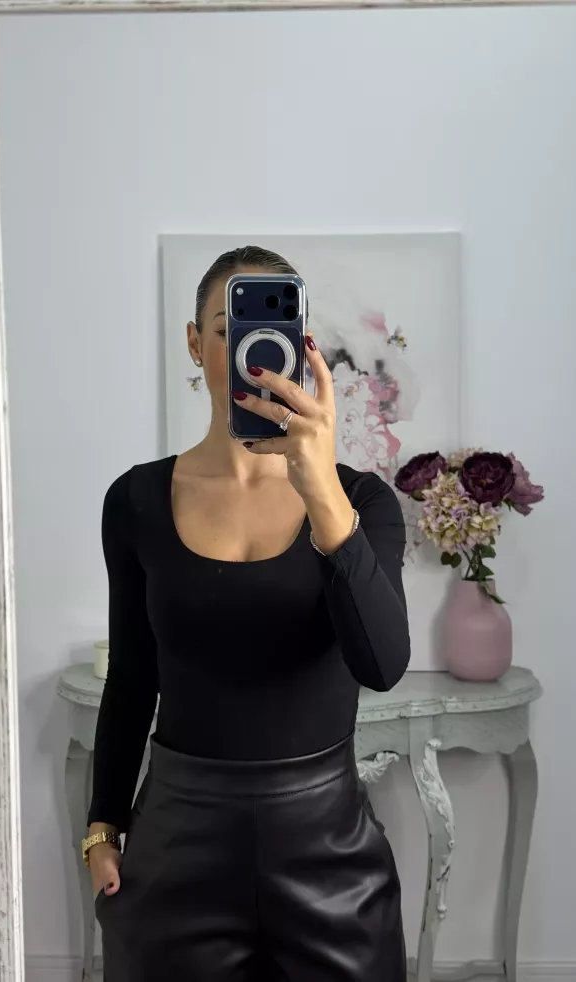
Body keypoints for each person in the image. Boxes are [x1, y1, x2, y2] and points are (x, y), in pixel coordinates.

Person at [84, 246, 411, 981]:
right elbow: (131, 675)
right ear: (194, 343)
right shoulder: (135, 500)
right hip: (177, 847)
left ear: (300, 348)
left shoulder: (361, 501)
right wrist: (102, 825)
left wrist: (320, 489)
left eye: (271, 334)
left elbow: (382, 664)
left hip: (329, 852)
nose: (250, 353)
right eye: (226, 330)